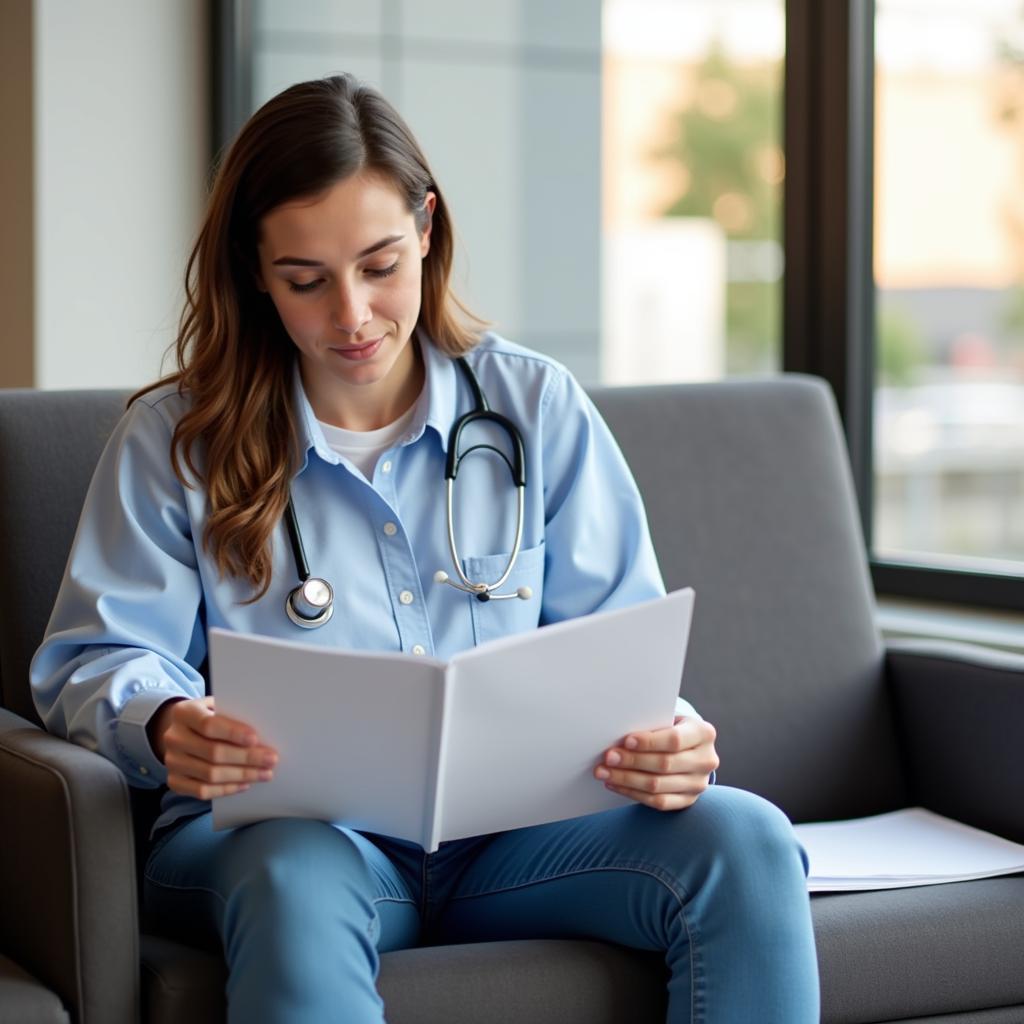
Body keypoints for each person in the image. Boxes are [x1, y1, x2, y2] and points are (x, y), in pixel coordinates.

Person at [31, 74, 819, 1023]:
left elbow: (620, 648)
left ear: (428, 229)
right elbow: (94, 656)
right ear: (255, 271)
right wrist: (163, 722)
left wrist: (670, 739)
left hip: (519, 844)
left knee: (747, 841)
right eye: (305, 280)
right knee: (297, 868)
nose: (353, 314)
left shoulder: (537, 407)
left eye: (380, 264)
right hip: (289, 842)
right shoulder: (174, 442)